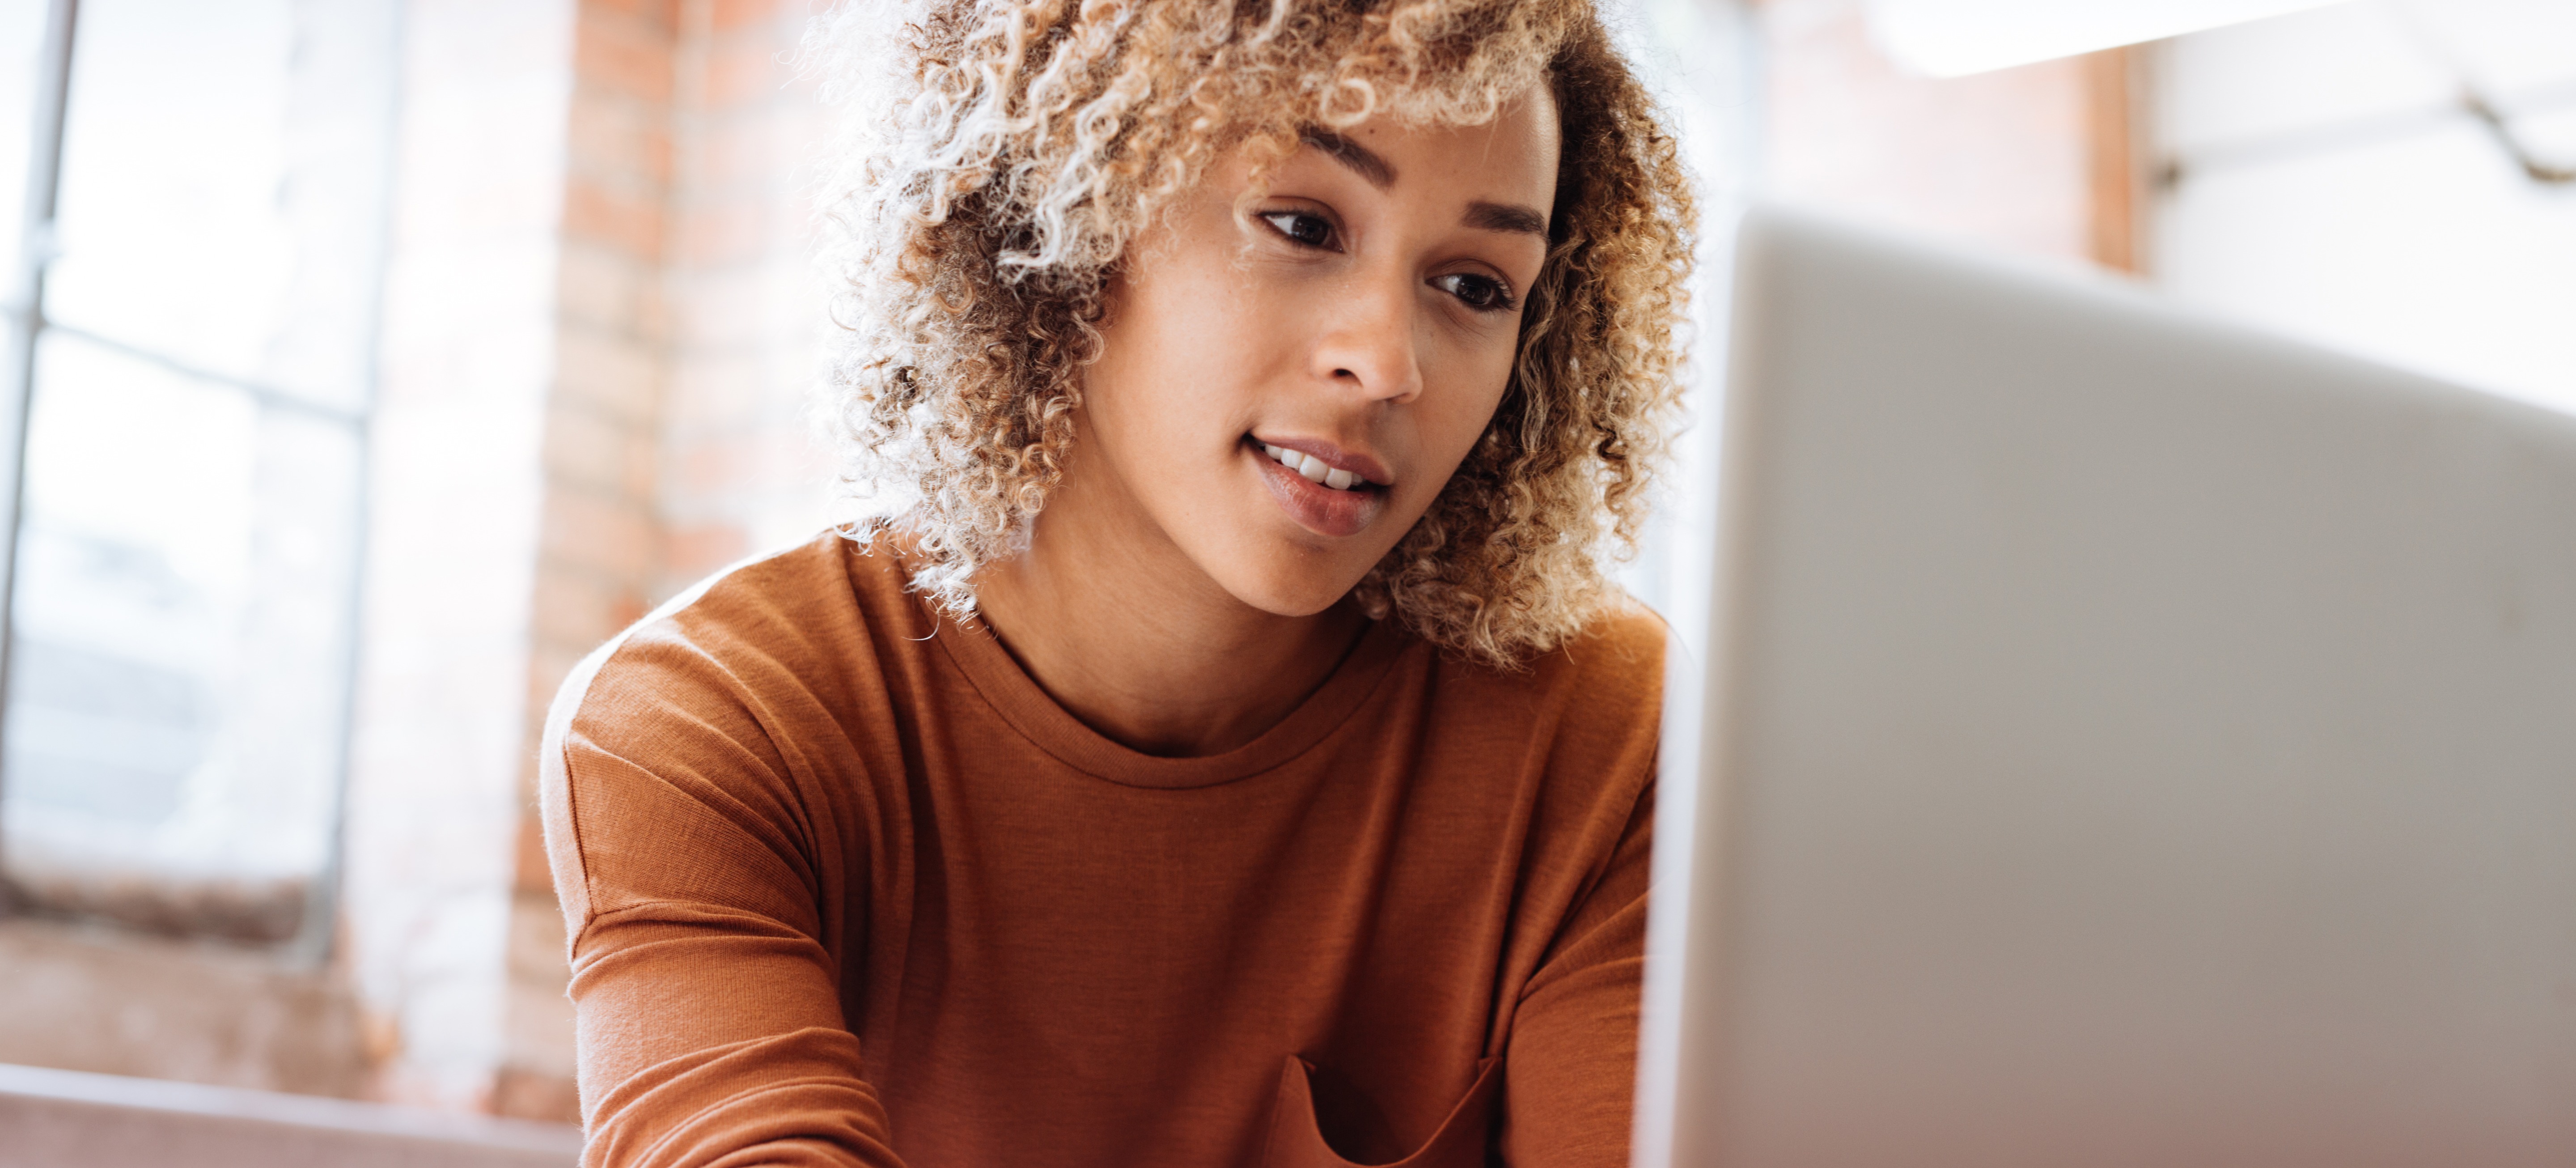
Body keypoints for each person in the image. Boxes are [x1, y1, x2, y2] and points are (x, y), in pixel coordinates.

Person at [537, 0, 1695, 1164]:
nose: (1388, 362)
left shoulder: (1604, 742)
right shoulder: (715, 728)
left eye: (1478, 287)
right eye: (1300, 224)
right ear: (1070, 209)